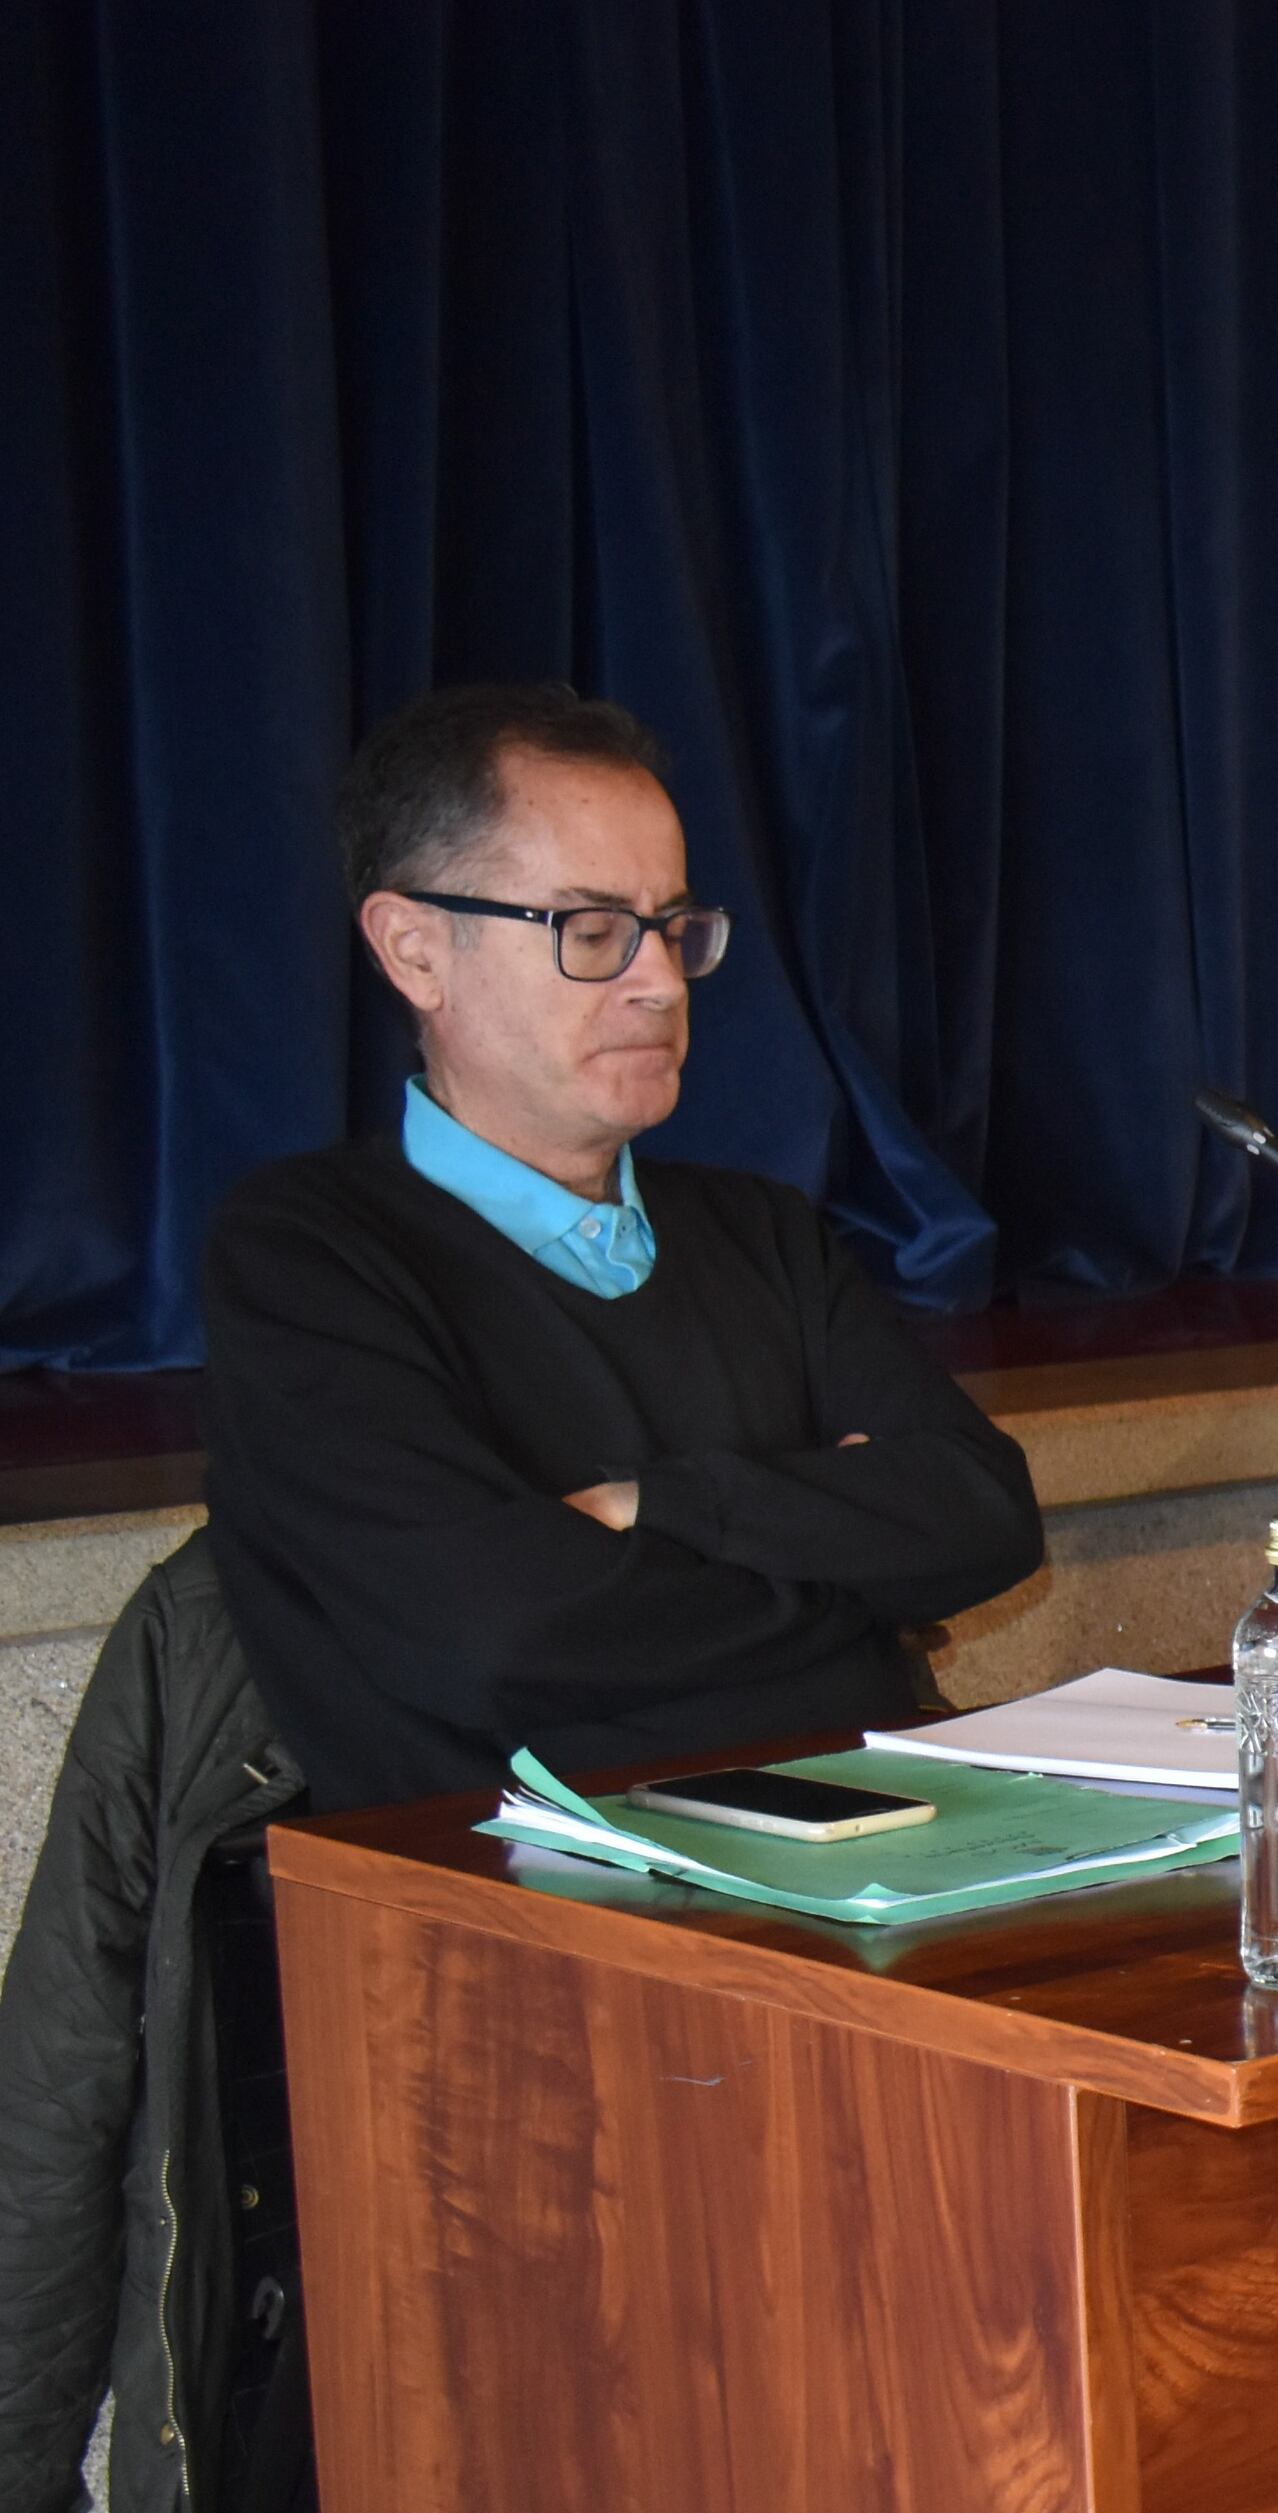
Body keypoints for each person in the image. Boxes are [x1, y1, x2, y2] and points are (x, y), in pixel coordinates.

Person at [201, 684, 1045, 1813]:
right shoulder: (305, 1257)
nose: (657, 980)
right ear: (414, 950)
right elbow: (489, 1636)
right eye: (592, 932)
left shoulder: (762, 1229)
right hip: (524, 1923)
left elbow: (985, 1519)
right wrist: (853, 1594)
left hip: (875, 1863)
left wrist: (649, 1509)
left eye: (674, 929)